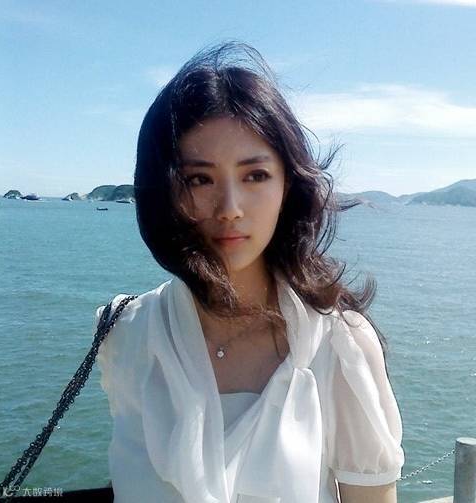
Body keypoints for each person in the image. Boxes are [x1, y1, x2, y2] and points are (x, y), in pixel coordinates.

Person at [94, 41, 405, 503]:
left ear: (287, 185)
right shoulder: (128, 335)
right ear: (166, 192)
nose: (230, 208)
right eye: (199, 179)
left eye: (255, 175)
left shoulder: (339, 348)